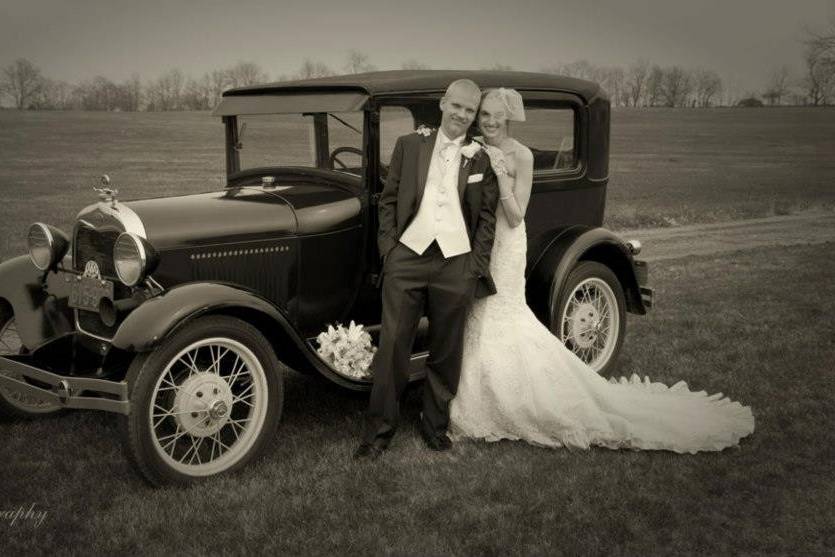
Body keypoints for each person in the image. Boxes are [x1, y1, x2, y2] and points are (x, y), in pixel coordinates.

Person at [448, 88, 755, 452]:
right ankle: (478, 394)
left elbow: (516, 216)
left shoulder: (522, 156)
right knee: (476, 315)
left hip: (507, 245)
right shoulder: (473, 147)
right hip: (477, 242)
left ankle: (513, 401)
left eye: (497, 115)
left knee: (501, 314)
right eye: (484, 115)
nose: (490, 121)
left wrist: (500, 176)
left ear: (509, 117)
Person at [354, 79, 500, 460]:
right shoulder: (410, 145)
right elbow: (387, 201)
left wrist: (474, 267)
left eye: (470, 111)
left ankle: (435, 426)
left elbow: (486, 219)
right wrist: (390, 250)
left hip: (457, 262)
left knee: (446, 351)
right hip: (408, 258)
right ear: (443, 104)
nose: (462, 116)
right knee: (392, 349)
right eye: (457, 107)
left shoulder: (480, 157)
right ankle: (378, 433)